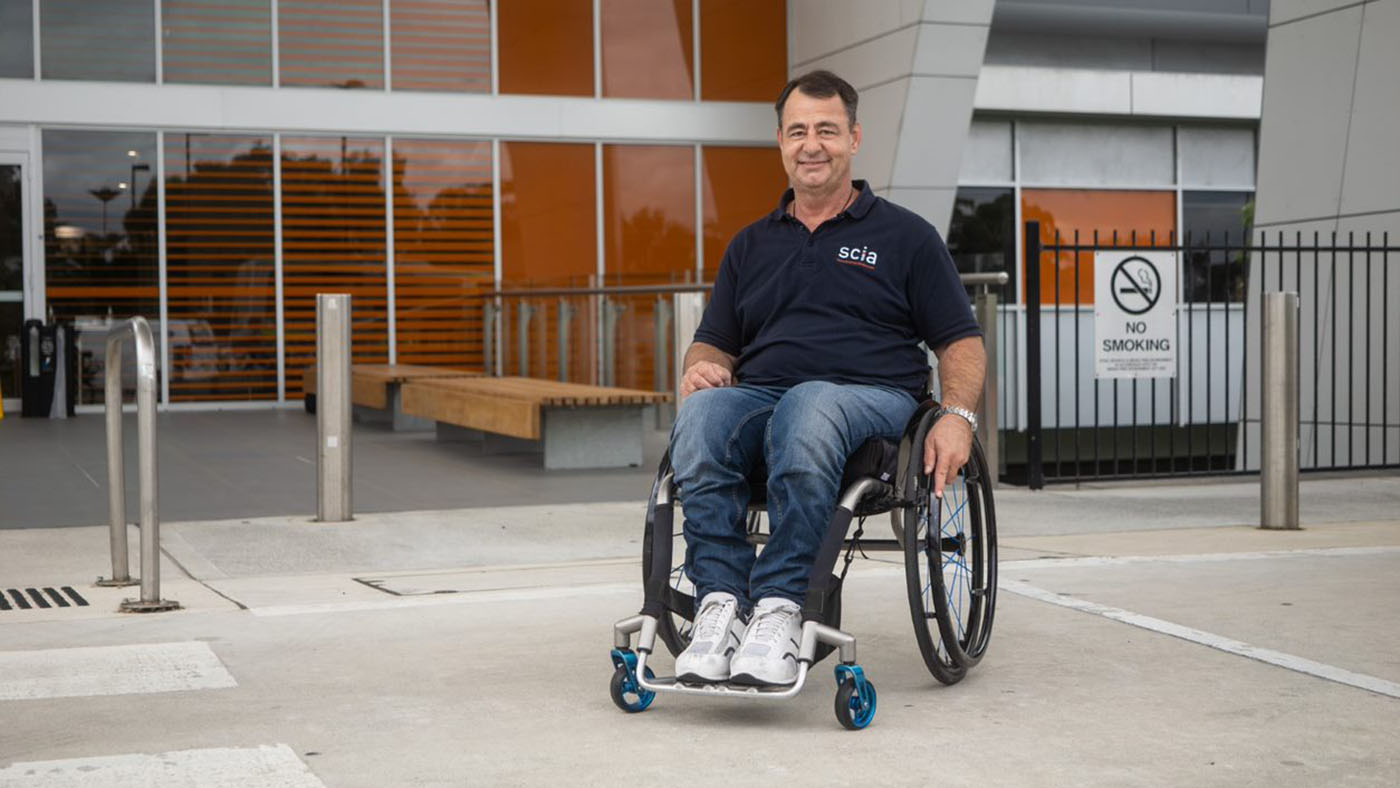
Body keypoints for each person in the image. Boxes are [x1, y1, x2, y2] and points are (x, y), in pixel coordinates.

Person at [669, 70, 986, 687]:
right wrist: (701, 366)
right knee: (702, 415)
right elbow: (713, 341)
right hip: (765, 397)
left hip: (876, 400)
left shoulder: (907, 237)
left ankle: (782, 606)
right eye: (798, 131)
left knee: (810, 404)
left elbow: (960, 341)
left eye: (826, 130)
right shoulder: (749, 245)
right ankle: (721, 604)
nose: (812, 144)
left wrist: (959, 416)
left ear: (854, 138)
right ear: (781, 143)